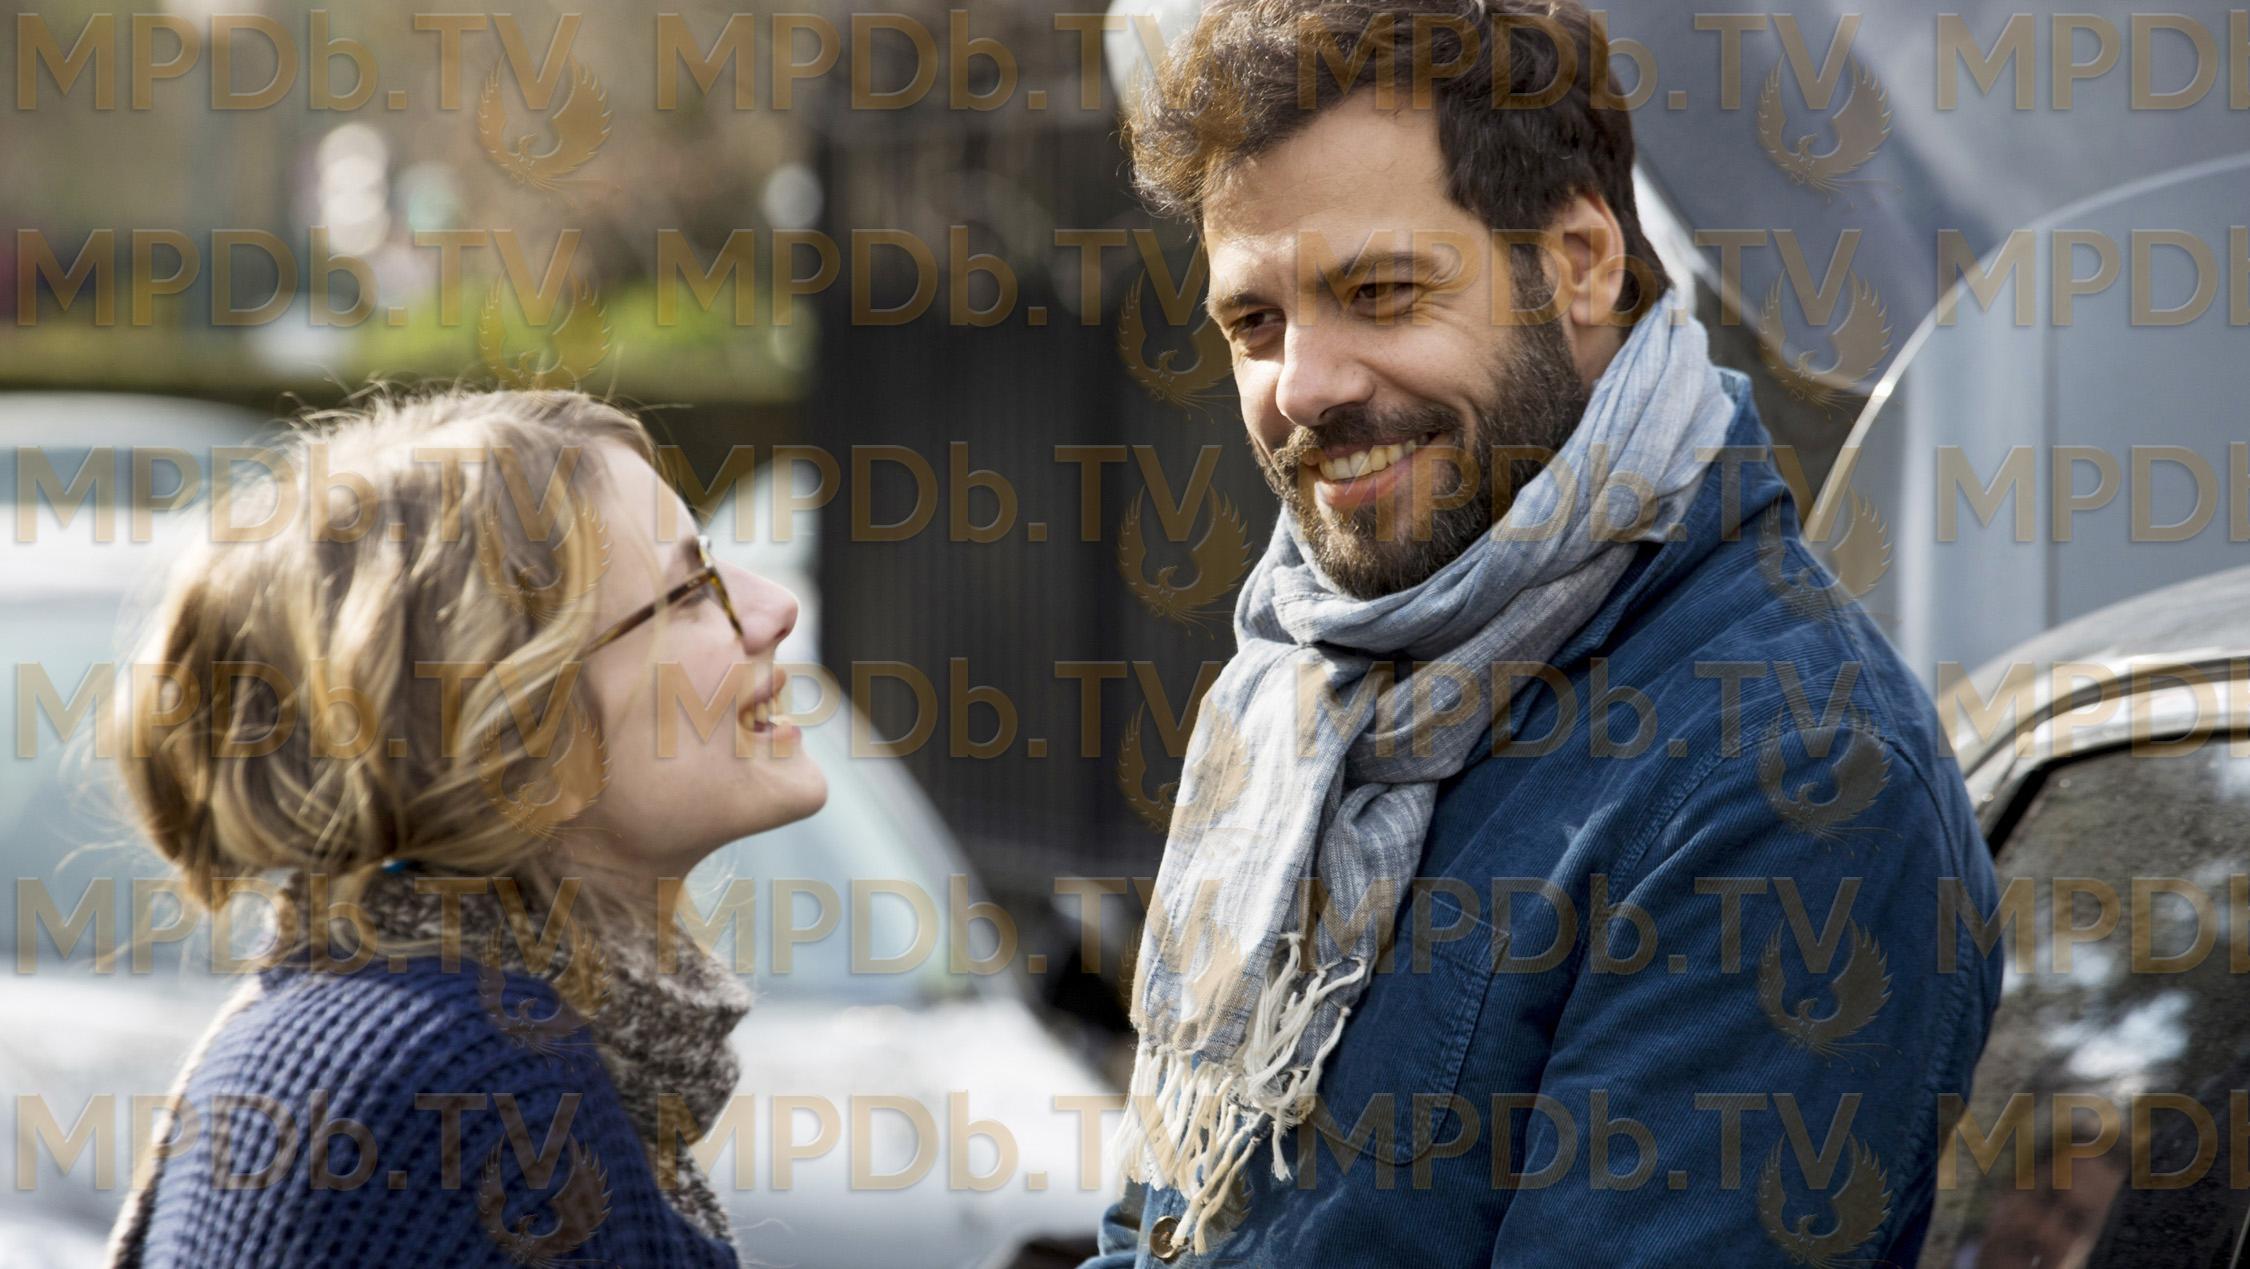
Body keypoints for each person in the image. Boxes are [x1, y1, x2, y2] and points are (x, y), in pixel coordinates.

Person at [1084, 1, 2003, 1264]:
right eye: (1255, 324)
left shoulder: (1794, 774)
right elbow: (1158, 1225)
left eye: (1380, 292)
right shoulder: (1303, 687)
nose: (1303, 386)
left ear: (1580, 263)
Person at [105, 389, 824, 1266]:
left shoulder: (418, 1028)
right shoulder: (468, 1082)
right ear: (524, 732)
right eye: (691, 589)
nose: (774, 607)